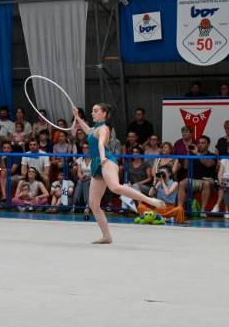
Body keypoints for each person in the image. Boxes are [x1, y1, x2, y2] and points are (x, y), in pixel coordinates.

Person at [72, 104, 164, 244]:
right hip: (97, 164)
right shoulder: (95, 129)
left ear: (104, 114)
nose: (92, 113)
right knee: (93, 204)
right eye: (92, 111)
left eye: (95, 111)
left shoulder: (103, 128)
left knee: (115, 187)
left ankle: (150, 201)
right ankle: (106, 236)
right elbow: (87, 131)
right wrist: (77, 118)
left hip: (106, 160)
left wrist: (102, 157)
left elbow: (101, 144)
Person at [177, 135, 216, 215]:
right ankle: (179, 209)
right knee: (182, 183)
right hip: (193, 180)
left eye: (203, 143)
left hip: (207, 180)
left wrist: (197, 154)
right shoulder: (192, 154)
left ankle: (202, 210)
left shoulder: (212, 155)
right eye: (199, 143)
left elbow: (208, 164)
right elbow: (185, 166)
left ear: (208, 144)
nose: (200, 144)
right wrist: (188, 153)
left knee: (206, 183)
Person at [73, 143, 92, 215]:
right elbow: (78, 172)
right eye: (83, 148)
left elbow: (94, 173)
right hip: (82, 178)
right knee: (80, 182)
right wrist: (81, 177)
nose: (85, 149)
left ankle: (86, 205)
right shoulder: (80, 159)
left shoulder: (94, 159)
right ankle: (75, 204)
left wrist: (88, 177)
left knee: (86, 183)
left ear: (90, 149)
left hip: (91, 178)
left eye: (86, 148)